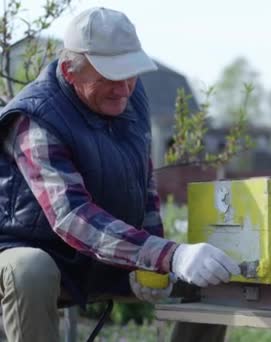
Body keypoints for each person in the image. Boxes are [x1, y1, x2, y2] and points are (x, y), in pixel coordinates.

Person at [0, 7, 237, 342]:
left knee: (214, 274)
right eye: (109, 79)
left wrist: (156, 261)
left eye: (131, 76)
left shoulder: (130, 98)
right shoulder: (35, 119)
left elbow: (145, 185)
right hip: (38, 255)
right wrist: (169, 254)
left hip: (109, 255)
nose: (124, 89)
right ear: (70, 71)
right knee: (30, 271)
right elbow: (72, 217)